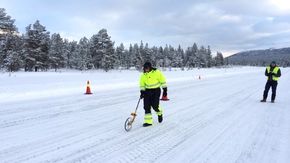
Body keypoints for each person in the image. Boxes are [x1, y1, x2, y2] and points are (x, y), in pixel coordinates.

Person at [139, 61, 167, 127]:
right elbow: (142, 84)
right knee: (146, 107)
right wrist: (142, 92)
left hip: (156, 91)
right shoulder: (143, 75)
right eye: (145, 68)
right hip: (147, 92)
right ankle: (148, 122)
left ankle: (159, 114)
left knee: (155, 106)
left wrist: (165, 90)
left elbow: (163, 81)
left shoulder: (157, 72)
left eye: (147, 68)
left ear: (150, 67)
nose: (146, 69)